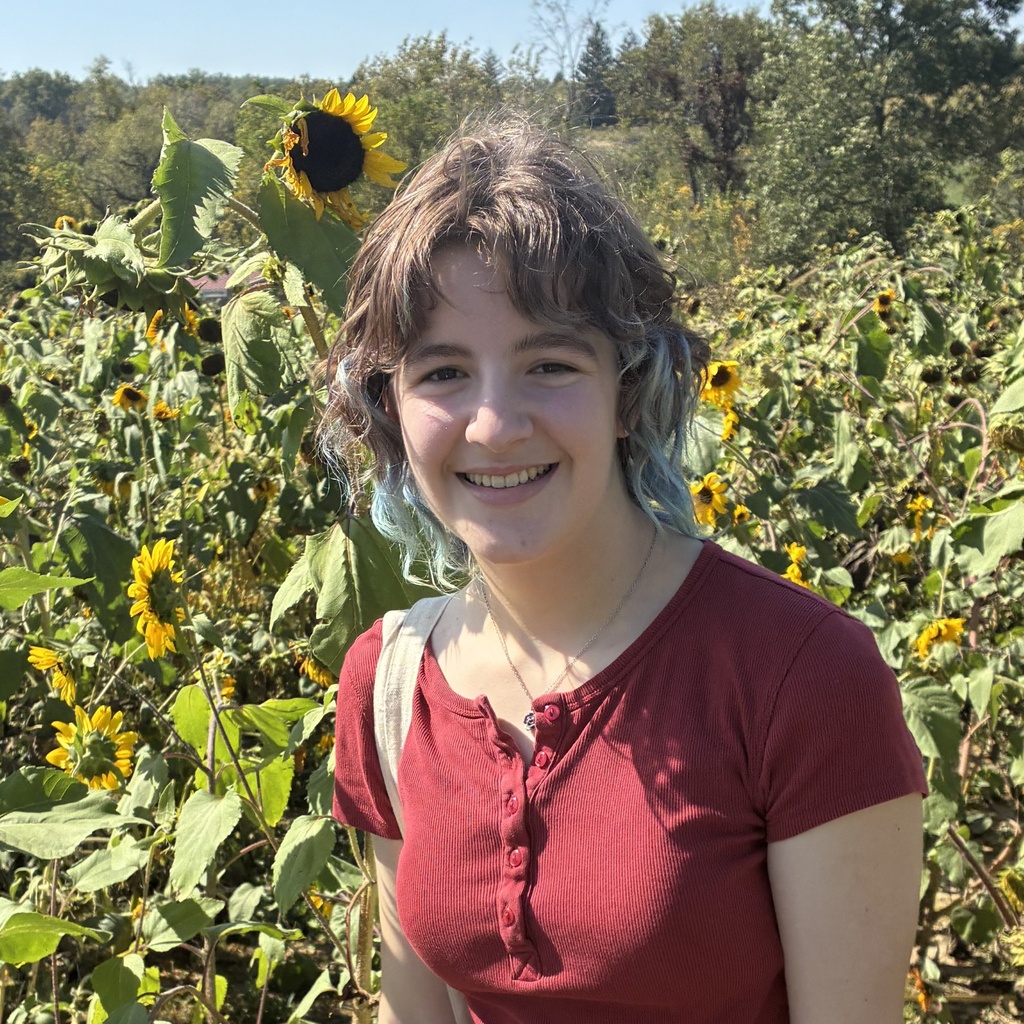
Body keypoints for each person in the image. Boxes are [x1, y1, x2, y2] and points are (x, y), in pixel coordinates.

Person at [321, 120, 928, 1024]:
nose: (493, 425)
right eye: (443, 372)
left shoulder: (801, 677)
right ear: (390, 409)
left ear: (628, 390)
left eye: (550, 364)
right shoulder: (392, 683)